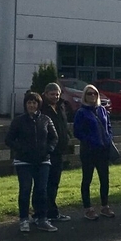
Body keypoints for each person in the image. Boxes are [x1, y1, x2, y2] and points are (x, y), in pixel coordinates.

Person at [5, 92, 59, 233]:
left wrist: (49, 149)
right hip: (24, 161)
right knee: (25, 189)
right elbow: (9, 139)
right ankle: (23, 219)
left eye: (34, 103)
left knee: (41, 190)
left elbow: (54, 137)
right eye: (29, 103)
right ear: (25, 104)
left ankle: (42, 218)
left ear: (38, 104)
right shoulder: (18, 121)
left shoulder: (46, 120)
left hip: (43, 161)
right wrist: (21, 149)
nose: (32, 105)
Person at [73, 84, 115, 221]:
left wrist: (108, 138)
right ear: (84, 96)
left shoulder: (102, 110)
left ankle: (105, 205)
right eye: (89, 94)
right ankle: (88, 208)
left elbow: (108, 125)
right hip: (89, 150)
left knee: (105, 179)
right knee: (87, 179)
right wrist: (90, 140)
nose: (92, 96)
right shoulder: (81, 112)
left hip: (103, 150)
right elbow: (77, 132)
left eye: (95, 94)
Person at [40, 83, 72, 223]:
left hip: (59, 151)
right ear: (46, 94)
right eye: (52, 94)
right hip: (47, 151)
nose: (55, 96)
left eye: (57, 94)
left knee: (54, 182)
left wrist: (68, 136)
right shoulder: (42, 109)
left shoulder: (61, 107)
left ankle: (52, 211)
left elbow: (63, 125)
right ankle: (44, 212)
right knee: (46, 183)